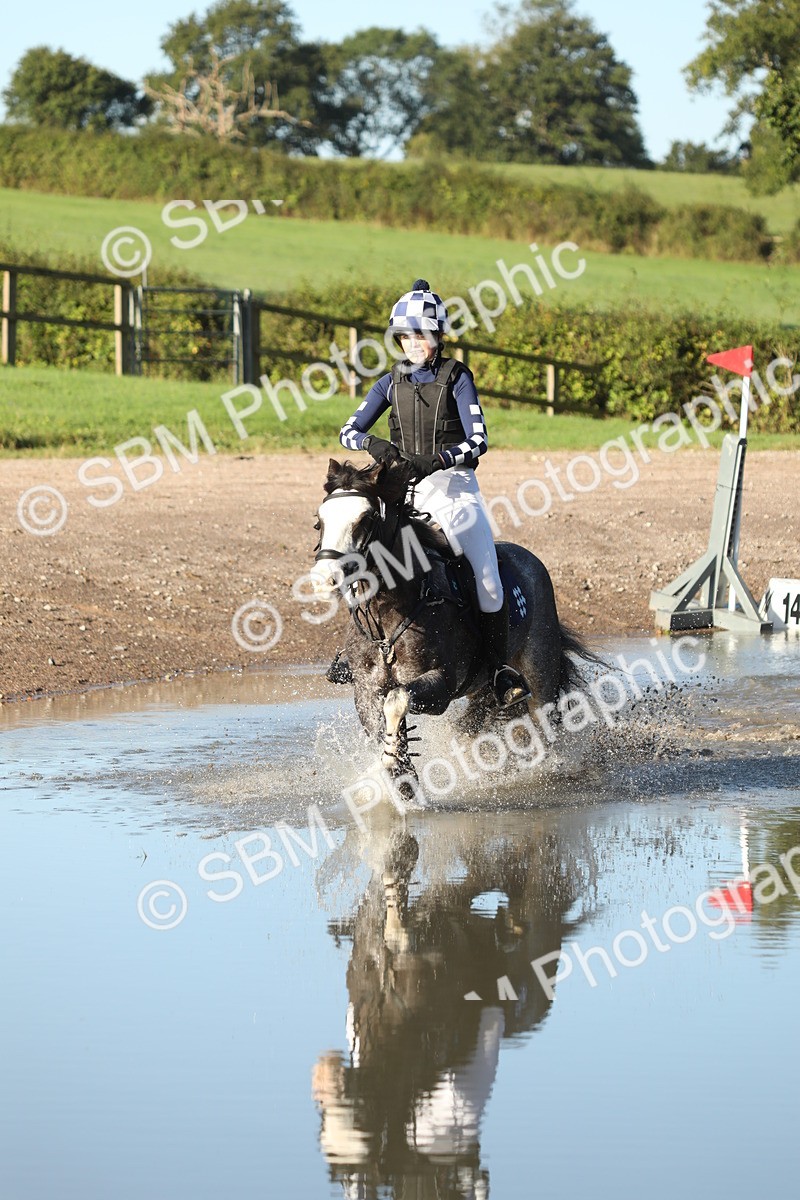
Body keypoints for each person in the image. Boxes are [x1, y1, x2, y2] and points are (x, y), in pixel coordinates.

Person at [330, 278, 530, 709]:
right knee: (364, 551)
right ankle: (356, 648)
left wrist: (436, 461)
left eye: (420, 333)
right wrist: (373, 445)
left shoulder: (457, 377)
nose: (413, 342)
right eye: (405, 335)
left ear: (437, 335)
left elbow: (478, 440)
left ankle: (498, 670)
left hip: (454, 490)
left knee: (488, 580)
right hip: (404, 494)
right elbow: (348, 431)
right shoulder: (390, 382)